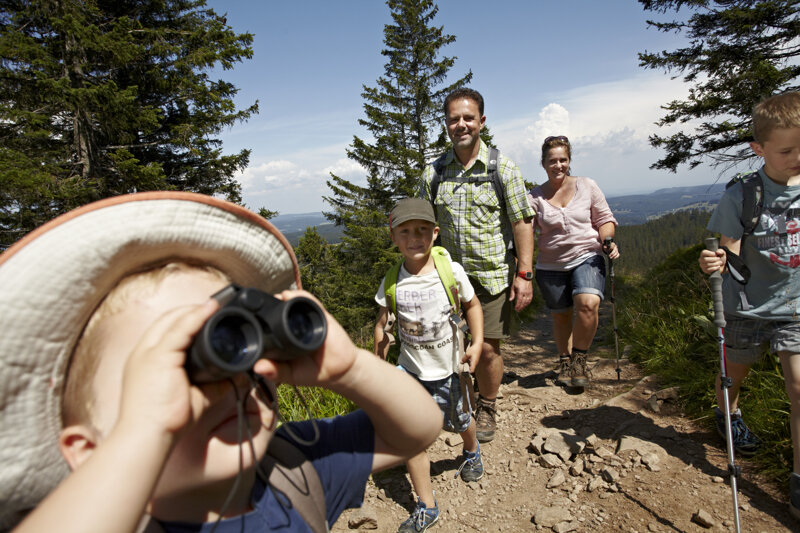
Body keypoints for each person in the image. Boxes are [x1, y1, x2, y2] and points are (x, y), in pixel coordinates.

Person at [0, 192, 442, 533]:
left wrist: (350, 369)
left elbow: (420, 427)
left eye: (233, 337)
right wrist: (146, 432)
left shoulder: (292, 467)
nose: (227, 377)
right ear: (91, 452)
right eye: (173, 368)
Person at [699, 91, 800, 519]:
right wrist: (718, 262)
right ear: (759, 149)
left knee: (799, 388)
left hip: (795, 309)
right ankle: (729, 413)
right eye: (787, 150)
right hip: (747, 309)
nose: (797, 156)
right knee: (733, 376)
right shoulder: (742, 196)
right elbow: (731, 254)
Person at [417, 88, 535, 443]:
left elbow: (522, 222)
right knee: (449, 346)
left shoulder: (503, 168)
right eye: (454, 119)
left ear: (482, 121)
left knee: (486, 349)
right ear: (446, 125)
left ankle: (487, 404)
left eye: (468, 118)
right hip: (448, 281)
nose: (461, 125)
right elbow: (423, 227)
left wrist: (525, 274)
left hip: (491, 277)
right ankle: (457, 402)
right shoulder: (434, 173)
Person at [373, 198, 484, 533]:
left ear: (435, 233)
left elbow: (472, 304)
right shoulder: (392, 280)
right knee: (411, 438)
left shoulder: (450, 271)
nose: (414, 237)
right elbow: (382, 324)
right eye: (405, 231)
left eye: (422, 229)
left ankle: (472, 449)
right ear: (393, 237)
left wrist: (477, 343)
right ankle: (427, 505)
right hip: (410, 371)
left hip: (449, 368)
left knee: (461, 420)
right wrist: (379, 363)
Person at [526, 136, 619, 387]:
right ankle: (565, 362)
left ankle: (580, 359)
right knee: (561, 316)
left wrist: (607, 240)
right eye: (552, 161)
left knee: (587, 304)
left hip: (587, 255)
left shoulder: (587, 186)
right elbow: (526, 234)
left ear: (570, 161)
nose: (559, 165)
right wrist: (522, 268)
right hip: (550, 265)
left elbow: (604, 219)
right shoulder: (534, 198)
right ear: (543, 163)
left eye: (563, 160)